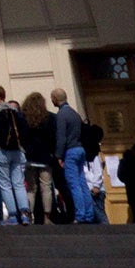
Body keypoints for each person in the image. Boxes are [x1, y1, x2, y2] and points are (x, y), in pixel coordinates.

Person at [51, 87, 99, 224]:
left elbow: (61, 137)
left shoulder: (61, 115)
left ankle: (80, 215)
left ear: (55, 99)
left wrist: (58, 155)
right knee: (82, 183)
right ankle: (89, 214)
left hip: (70, 152)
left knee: (74, 185)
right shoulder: (74, 113)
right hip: (80, 149)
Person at [0, 84, 30, 224]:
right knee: (18, 183)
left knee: (5, 184)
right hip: (17, 150)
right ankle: (24, 213)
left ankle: (12, 215)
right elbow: (24, 131)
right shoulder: (15, 112)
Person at [21, 90, 58, 224]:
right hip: (45, 156)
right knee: (46, 187)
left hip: (29, 157)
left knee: (31, 188)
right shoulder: (50, 118)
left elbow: (22, 137)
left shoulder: (24, 118)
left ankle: (29, 215)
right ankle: (47, 217)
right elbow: (54, 138)